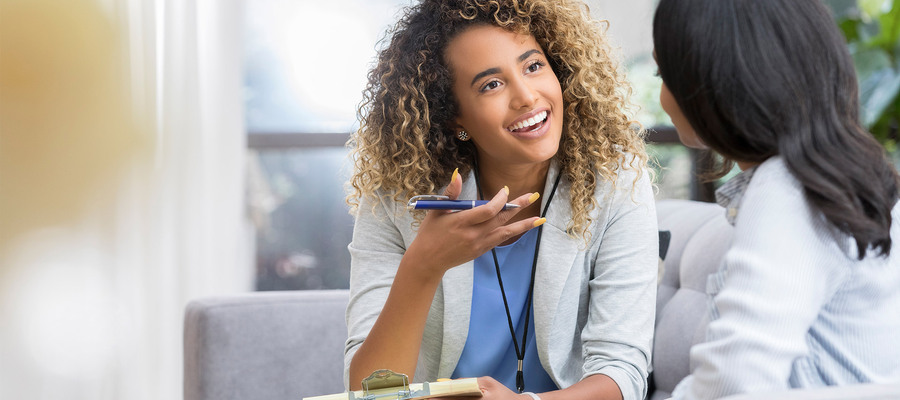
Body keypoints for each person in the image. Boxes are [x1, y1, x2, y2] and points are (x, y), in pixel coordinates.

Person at [343, 0, 658, 399]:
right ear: (455, 117)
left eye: (533, 66)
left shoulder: (614, 183)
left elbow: (623, 372)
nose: (526, 96)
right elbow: (370, 393)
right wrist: (423, 266)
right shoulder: (398, 198)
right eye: (491, 84)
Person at [652, 0, 900, 399]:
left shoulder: (788, 190)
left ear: (712, 86)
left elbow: (732, 381)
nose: (664, 95)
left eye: (664, 73)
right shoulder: (838, 174)